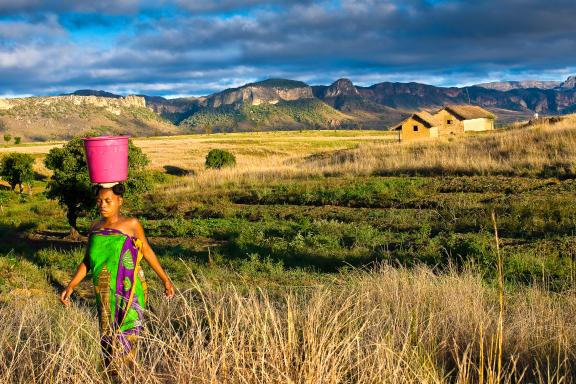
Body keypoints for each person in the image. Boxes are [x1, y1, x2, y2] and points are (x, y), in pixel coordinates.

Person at [59, 182, 175, 376]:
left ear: (119, 201)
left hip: (129, 292)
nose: (102, 205)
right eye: (99, 201)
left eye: (108, 201)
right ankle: (110, 378)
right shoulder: (94, 227)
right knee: (107, 342)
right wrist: (71, 286)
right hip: (104, 295)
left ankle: (128, 378)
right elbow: (87, 261)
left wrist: (165, 279)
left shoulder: (131, 224)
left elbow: (146, 251)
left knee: (127, 343)